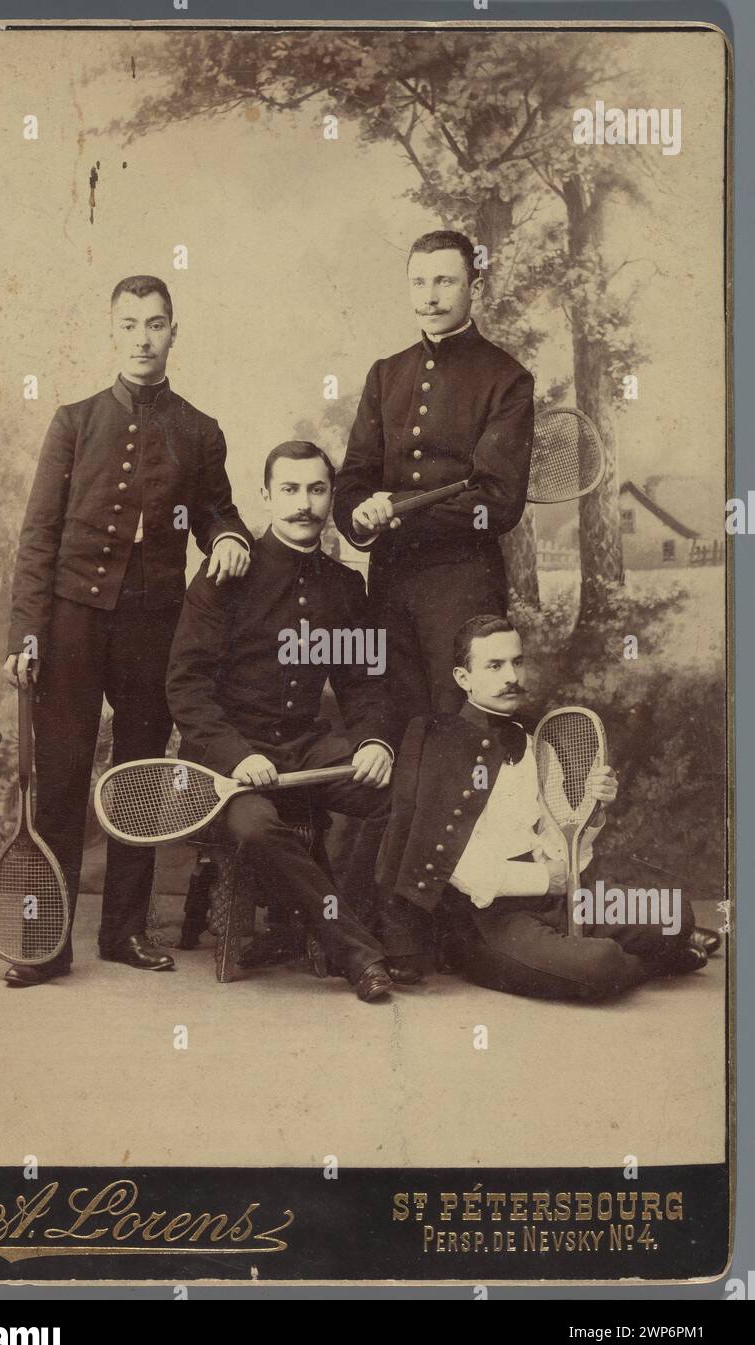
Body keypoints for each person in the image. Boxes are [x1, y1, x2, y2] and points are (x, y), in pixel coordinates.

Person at [3, 274, 252, 986]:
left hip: (154, 628)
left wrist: (230, 537)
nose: (143, 338)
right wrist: (28, 634)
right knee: (60, 780)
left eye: (156, 324)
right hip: (73, 620)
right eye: (130, 324)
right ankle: (43, 939)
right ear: (112, 333)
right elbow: (38, 536)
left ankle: (124, 933)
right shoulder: (74, 422)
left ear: (175, 331)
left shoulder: (199, 430)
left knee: (142, 782)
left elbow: (217, 511)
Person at [166, 440, 397, 1002]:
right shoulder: (227, 573)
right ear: (266, 496)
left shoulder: (345, 587)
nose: (304, 504)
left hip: (304, 748)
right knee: (254, 827)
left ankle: (358, 928)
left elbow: (364, 684)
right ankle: (359, 954)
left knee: (400, 795)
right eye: (290, 490)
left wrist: (374, 742)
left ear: (331, 496)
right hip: (225, 758)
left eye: (317, 490)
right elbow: (186, 686)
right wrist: (238, 756)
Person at [374, 614, 712, 997]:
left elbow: (563, 844)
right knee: (599, 964)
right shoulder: (436, 743)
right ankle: (658, 963)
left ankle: (631, 959)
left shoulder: (538, 741)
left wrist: (593, 810)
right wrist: (543, 879)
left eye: (517, 662)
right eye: (495, 665)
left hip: (556, 898)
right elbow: (454, 865)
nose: (511, 676)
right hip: (487, 919)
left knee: (675, 914)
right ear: (463, 678)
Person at [333, 229, 535, 743]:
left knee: (461, 729)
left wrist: (397, 510)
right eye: (418, 282)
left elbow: (498, 501)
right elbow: (354, 478)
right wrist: (358, 514)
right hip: (389, 583)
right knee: (399, 728)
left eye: (445, 280)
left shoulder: (506, 379)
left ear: (476, 289)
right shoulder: (385, 375)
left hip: (463, 586)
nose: (430, 295)